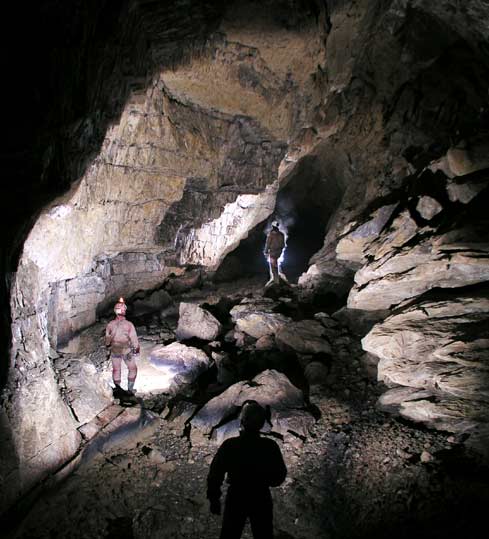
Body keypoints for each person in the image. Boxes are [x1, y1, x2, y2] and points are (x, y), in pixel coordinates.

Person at [207, 400, 287, 539]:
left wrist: (214, 498)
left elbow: (216, 473)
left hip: (237, 495)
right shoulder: (270, 446)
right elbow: (279, 475)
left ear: (242, 421)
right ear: (262, 424)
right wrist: (265, 480)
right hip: (261, 495)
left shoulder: (231, 445)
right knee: (263, 534)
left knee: (230, 534)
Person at [105, 297, 140, 395]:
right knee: (132, 369)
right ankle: (130, 389)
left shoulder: (110, 324)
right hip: (126, 351)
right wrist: (136, 350)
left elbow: (107, 339)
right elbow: (134, 339)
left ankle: (118, 389)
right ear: (124, 311)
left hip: (115, 350)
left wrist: (108, 347)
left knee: (116, 369)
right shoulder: (129, 325)